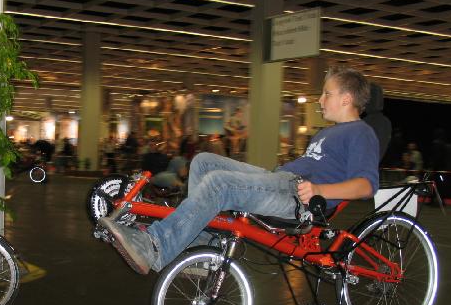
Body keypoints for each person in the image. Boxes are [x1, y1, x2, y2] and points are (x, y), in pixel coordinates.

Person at [99, 65, 379, 275]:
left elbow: (367, 186)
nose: (320, 99)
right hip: (281, 180)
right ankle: (204, 245)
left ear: (346, 99)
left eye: (327, 94)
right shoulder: (327, 133)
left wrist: (320, 190)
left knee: (219, 183)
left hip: (298, 199)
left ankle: (156, 246)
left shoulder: (360, 132)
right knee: (203, 161)